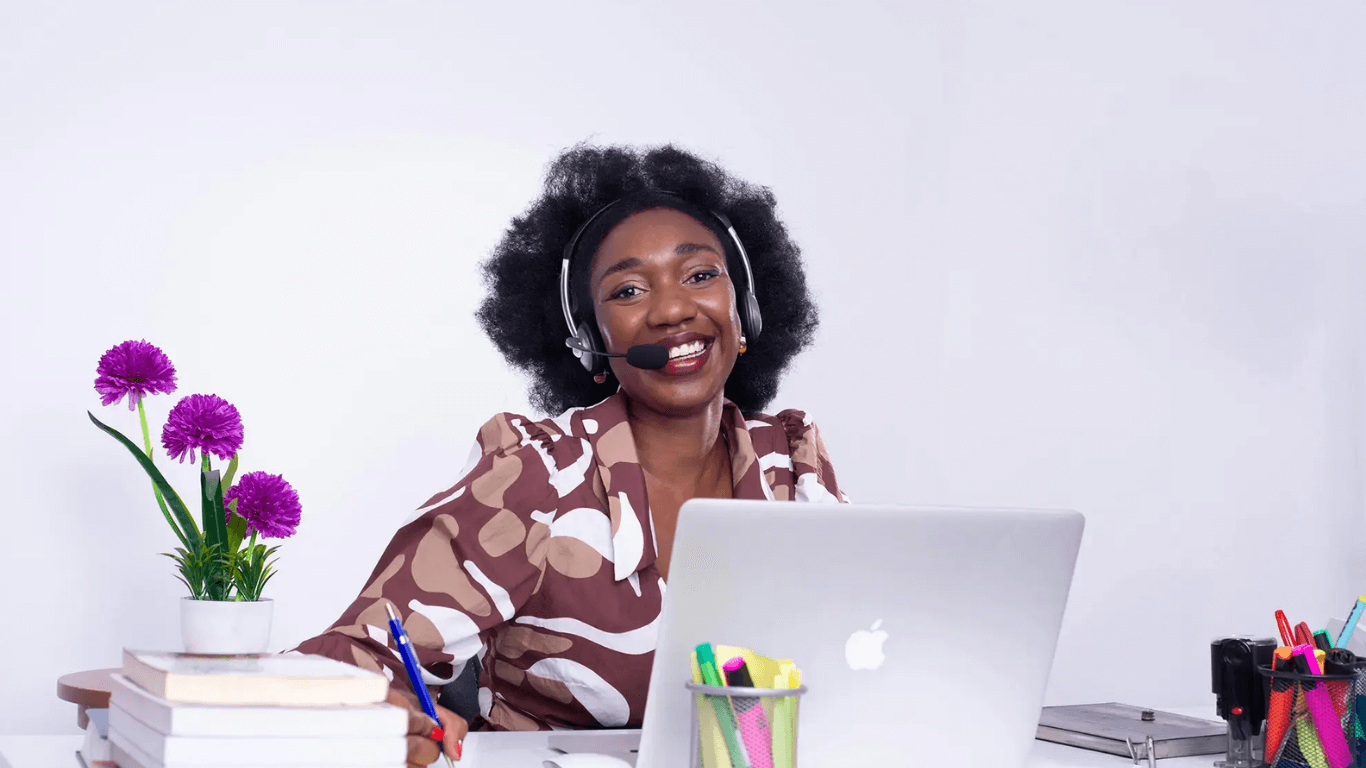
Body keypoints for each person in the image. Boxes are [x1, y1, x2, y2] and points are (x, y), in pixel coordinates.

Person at [292, 143, 847, 765]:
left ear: (743, 309)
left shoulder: (791, 470)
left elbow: (848, 664)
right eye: (630, 290)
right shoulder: (537, 478)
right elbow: (338, 664)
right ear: (589, 342)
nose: (672, 310)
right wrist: (383, 713)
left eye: (700, 275)